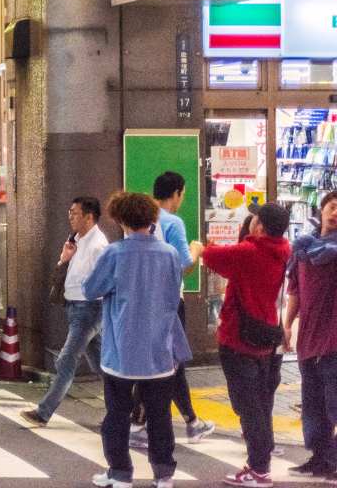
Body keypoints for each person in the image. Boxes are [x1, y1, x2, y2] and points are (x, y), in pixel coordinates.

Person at [83, 192, 190, 488]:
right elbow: (173, 296)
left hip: (122, 349)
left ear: (120, 220)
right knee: (160, 415)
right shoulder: (169, 254)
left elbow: (91, 289)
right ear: (152, 219)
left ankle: (120, 473)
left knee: (117, 414)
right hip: (160, 350)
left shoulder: (114, 254)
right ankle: (164, 474)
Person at [190, 204, 290, 487]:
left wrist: (198, 247)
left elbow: (211, 256)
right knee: (258, 404)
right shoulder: (282, 251)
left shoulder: (249, 252)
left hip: (239, 339)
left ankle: (259, 469)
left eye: (255, 218)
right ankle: (260, 462)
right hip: (264, 339)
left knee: (248, 407)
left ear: (260, 226)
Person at [129, 171, 213, 448]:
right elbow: (183, 266)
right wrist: (197, 250)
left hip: (143, 301)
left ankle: (188, 422)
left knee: (161, 362)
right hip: (168, 303)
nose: (181, 200)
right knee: (169, 362)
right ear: (176, 193)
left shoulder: (140, 219)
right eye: (182, 194)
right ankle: (142, 423)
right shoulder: (172, 222)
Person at [22, 196, 111, 426]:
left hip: (89, 308)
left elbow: (105, 281)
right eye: (69, 212)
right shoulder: (76, 240)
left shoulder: (99, 245)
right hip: (74, 306)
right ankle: (127, 407)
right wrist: (64, 259)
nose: (70, 217)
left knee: (66, 360)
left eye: (74, 213)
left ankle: (43, 412)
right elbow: (61, 275)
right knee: (102, 364)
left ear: (89, 217)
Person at [284, 191, 337, 480]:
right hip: (309, 338)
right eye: (332, 206)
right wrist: (287, 325)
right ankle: (321, 459)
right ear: (322, 209)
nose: (336, 212)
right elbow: (295, 290)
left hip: (334, 339)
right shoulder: (303, 249)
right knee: (314, 405)